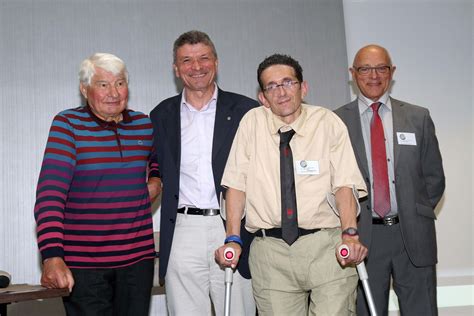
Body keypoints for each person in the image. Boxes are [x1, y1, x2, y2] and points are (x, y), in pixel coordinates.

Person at [215, 53, 368, 315]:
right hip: (270, 253)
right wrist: (232, 238)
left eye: (288, 82)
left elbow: (344, 184)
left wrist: (350, 234)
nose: (281, 92)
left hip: (326, 248)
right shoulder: (251, 123)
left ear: (303, 87)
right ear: (262, 97)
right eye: (271, 86)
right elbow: (236, 185)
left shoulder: (327, 122)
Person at [34, 53, 161, 316]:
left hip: (138, 263)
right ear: (85, 89)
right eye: (103, 84)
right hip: (84, 267)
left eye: (120, 83)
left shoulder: (143, 125)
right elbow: (50, 195)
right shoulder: (67, 125)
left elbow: (156, 159)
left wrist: (156, 180)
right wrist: (52, 256)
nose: (113, 93)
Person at [149, 30, 257, 315]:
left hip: (233, 226)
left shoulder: (248, 110)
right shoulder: (160, 115)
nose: (196, 67)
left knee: (238, 310)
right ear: (176, 69)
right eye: (186, 60)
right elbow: (153, 171)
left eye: (203, 58)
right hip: (182, 230)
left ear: (217, 63)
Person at [335, 44, 445, 315]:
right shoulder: (336, 121)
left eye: (381, 68)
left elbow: (434, 178)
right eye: (365, 69)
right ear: (353, 73)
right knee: (366, 311)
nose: (374, 75)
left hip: (413, 234)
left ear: (392, 72)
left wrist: (412, 209)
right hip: (363, 236)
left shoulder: (418, 117)